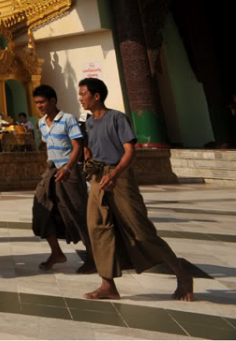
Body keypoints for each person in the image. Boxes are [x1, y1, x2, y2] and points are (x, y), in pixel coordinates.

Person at [78, 77, 193, 301]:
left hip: (119, 177)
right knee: (97, 228)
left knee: (141, 230)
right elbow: (90, 148)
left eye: (83, 94)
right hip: (98, 178)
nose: (80, 98)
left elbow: (130, 151)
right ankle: (107, 284)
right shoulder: (89, 122)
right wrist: (89, 165)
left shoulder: (117, 118)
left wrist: (115, 173)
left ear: (96, 96)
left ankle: (181, 272)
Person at [31, 85, 95, 274]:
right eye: (36, 103)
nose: (39, 106)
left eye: (42, 102)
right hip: (51, 171)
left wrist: (68, 167)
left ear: (53, 101)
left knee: (78, 212)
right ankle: (56, 252)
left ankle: (93, 257)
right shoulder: (42, 123)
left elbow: (77, 145)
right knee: (41, 210)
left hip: (69, 171)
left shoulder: (68, 119)